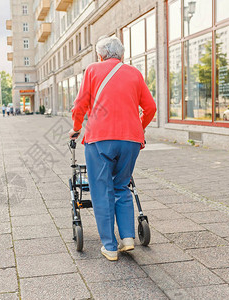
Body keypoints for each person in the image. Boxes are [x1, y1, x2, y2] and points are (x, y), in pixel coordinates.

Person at [69, 36, 156, 261]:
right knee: (122, 186)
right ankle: (127, 238)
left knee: (101, 191)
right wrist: (139, 128)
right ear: (122, 55)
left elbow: (80, 105)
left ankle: (109, 246)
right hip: (131, 140)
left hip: (100, 139)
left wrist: (76, 128)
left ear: (101, 55)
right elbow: (150, 107)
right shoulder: (134, 73)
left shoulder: (92, 70)